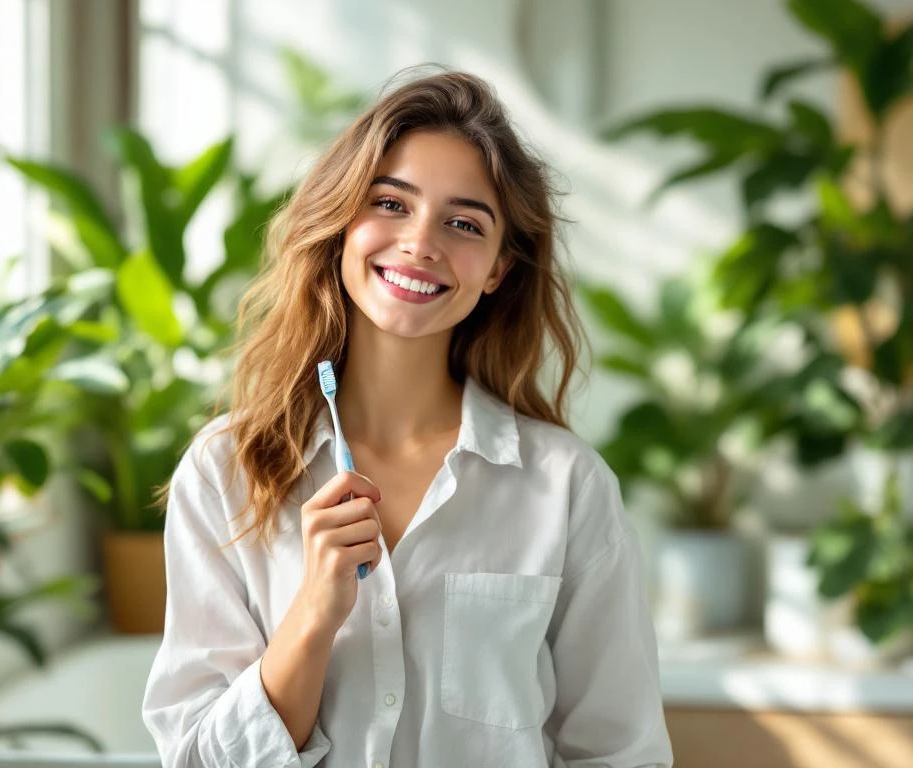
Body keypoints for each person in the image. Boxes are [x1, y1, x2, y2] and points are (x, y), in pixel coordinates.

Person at [142, 68, 673, 768]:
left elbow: (619, 752)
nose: (421, 243)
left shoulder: (566, 487)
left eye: (462, 223)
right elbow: (197, 760)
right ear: (341, 224)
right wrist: (312, 614)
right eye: (391, 204)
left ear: (498, 270)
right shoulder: (225, 471)